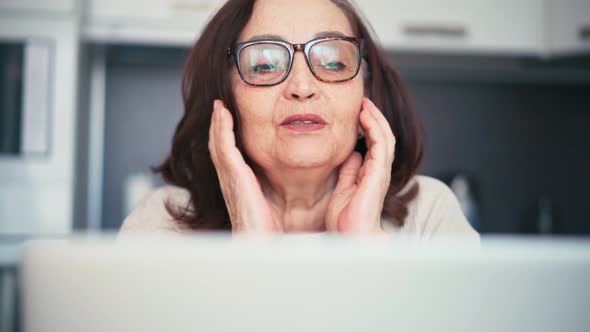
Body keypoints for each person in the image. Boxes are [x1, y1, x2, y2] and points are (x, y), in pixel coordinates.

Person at [119, 0, 478, 240]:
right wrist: (252, 253)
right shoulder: (160, 225)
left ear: (365, 94)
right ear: (224, 99)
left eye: (333, 62)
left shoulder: (429, 217)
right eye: (264, 65)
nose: (302, 87)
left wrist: (365, 250)